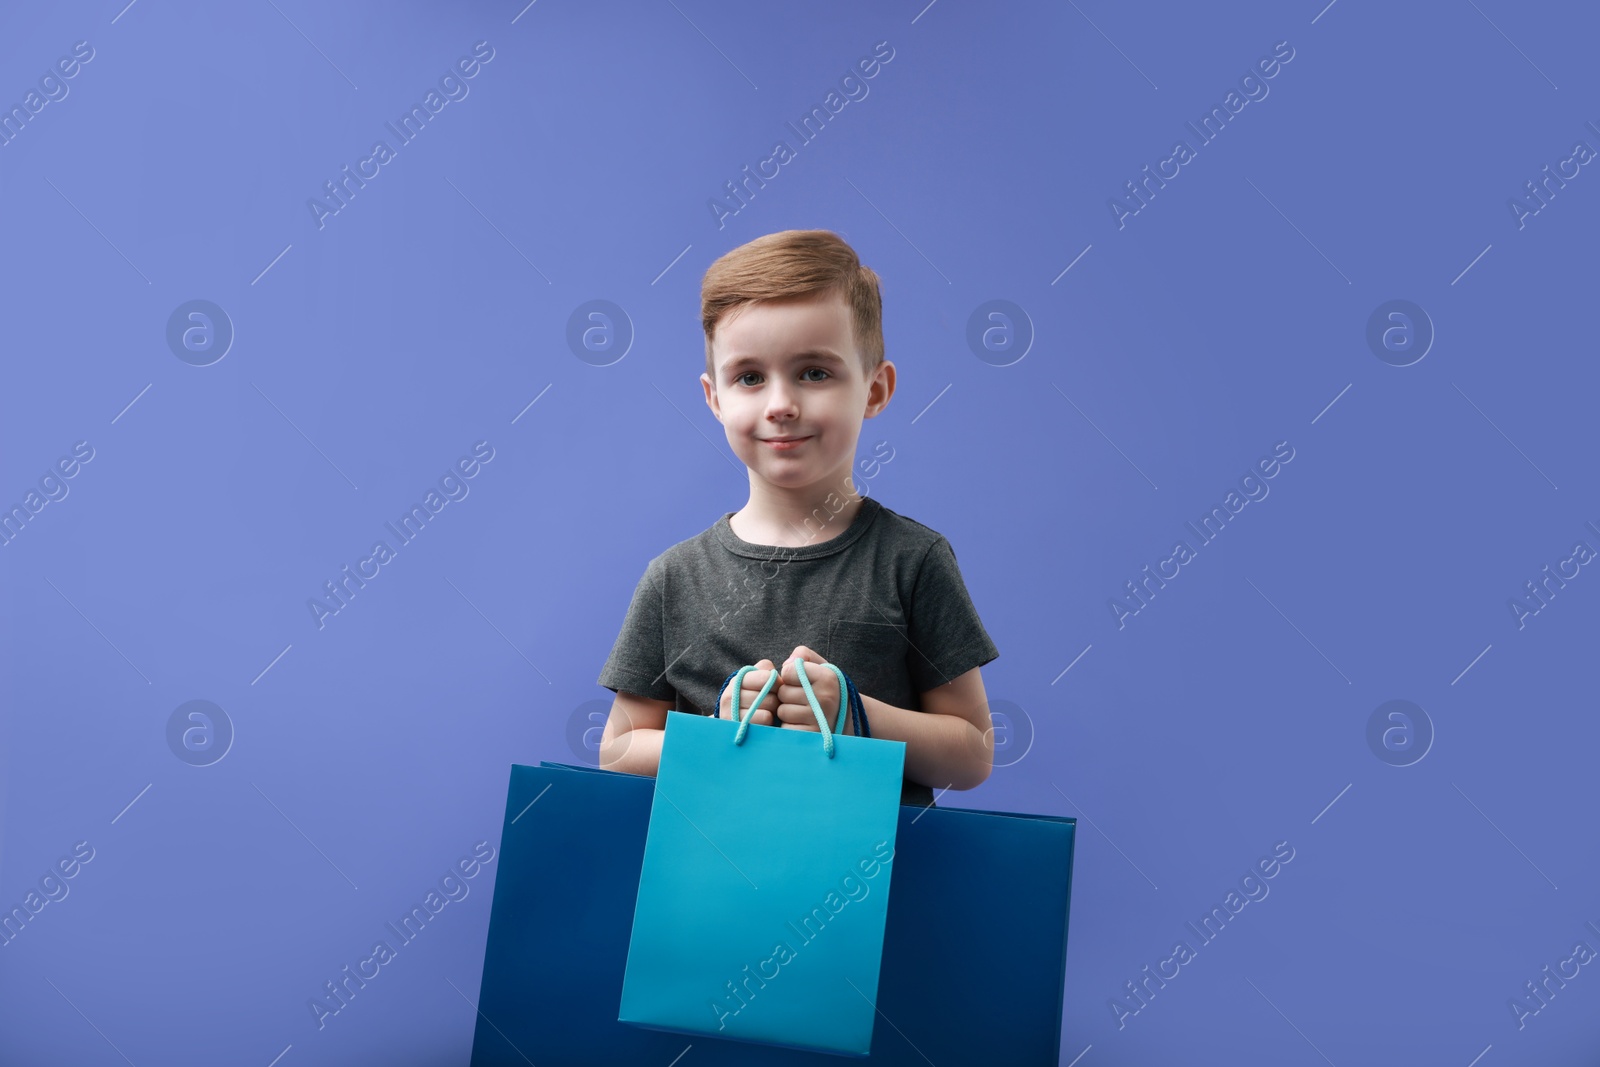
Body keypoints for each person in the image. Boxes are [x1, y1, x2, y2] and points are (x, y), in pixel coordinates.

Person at [595, 229, 999, 807]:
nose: (780, 404)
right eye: (750, 377)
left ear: (875, 389)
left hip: (881, 885)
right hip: (710, 882)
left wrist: (857, 714)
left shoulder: (913, 561)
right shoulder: (674, 578)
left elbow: (971, 755)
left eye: (814, 372)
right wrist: (717, 735)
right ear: (715, 399)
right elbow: (616, 750)